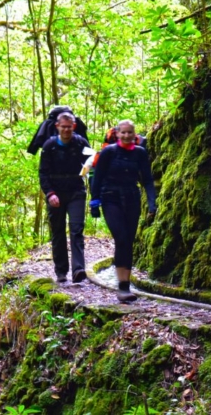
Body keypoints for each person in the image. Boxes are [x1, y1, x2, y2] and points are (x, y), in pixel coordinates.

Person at [89, 120, 157, 302]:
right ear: (117, 134)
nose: (127, 136)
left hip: (132, 198)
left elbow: (148, 180)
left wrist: (152, 203)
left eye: (130, 133)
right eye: (123, 133)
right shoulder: (108, 153)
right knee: (121, 238)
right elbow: (97, 177)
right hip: (110, 198)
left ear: (135, 135)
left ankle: (125, 285)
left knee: (129, 240)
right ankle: (122, 287)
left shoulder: (140, 154)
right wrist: (94, 202)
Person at [39, 112, 91, 284]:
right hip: (56, 193)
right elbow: (43, 173)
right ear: (57, 127)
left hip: (76, 191)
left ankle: (78, 270)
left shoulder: (81, 143)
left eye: (69, 126)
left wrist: (84, 174)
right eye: (63, 127)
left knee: (76, 230)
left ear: (74, 126)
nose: (66, 130)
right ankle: (61, 271)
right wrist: (50, 193)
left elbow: (91, 161)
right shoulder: (49, 146)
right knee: (58, 231)